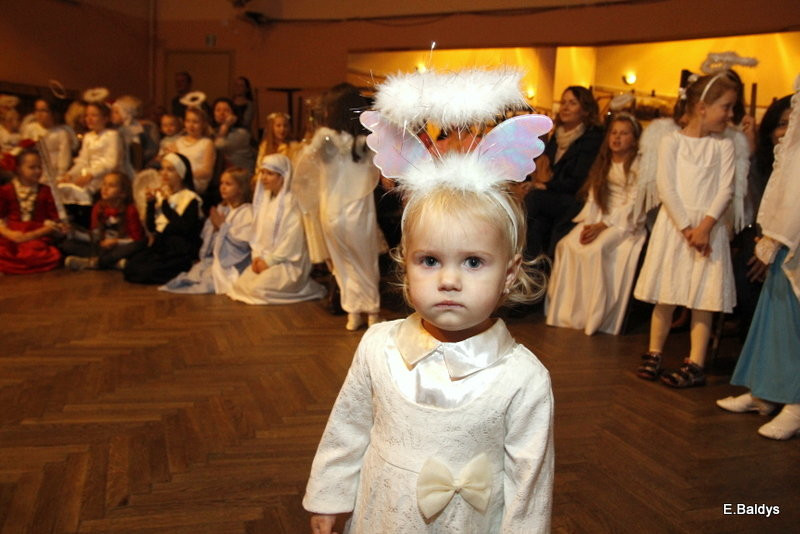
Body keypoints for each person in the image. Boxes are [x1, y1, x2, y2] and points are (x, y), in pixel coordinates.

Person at [304, 68, 554, 534]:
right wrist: (330, 496)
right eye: (430, 260)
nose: (450, 280)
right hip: (380, 514)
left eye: (474, 262)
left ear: (510, 273)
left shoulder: (524, 380)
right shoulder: (377, 348)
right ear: (403, 263)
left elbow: (530, 487)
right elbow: (348, 429)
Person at [633, 72, 740, 388]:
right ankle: (654, 352)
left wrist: (705, 227)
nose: (730, 114)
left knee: (702, 298)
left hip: (708, 229)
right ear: (703, 107)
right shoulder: (672, 141)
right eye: (726, 106)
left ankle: (696, 362)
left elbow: (726, 190)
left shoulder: (724, 147)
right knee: (666, 293)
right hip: (677, 228)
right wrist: (687, 228)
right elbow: (666, 186)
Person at [716, 89, 800, 440]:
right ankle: (767, 392)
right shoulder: (789, 148)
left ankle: (795, 404)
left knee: (792, 322)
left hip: (792, 239)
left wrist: (780, 237)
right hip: (785, 237)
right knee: (774, 318)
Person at [546, 113, 646, 335]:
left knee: (597, 250)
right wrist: (590, 224)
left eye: (624, 133)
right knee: (566, 245)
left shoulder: (639, 166)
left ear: (634, 139)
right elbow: (594, 197)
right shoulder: (603, 163)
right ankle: (567, 313)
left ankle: (593, 316)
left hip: (623, 223)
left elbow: (633, 202)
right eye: (614, 133)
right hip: (598, 216)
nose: (617, 138)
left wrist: (604, 226)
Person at [301, 84, 382, 330]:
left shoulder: (328, 136)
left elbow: (306, 163)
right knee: (364, 259)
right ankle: (370, 310)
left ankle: (354, 311)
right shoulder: (363, 139)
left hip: (332, 207)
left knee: (343, 260)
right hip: (356, 207)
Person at [227, 154, 325, 304]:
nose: (264, 178)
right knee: (241, 285)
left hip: (286, 262)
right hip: (264, 260)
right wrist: (258, 257)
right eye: (263, 173)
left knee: (257, 289)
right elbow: (257, 234)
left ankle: (308, 288)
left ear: (283, 177)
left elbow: (292, 240)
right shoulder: (264, 201)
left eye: (270, 174)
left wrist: (270, 261)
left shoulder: (292, 202)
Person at [524, 85, 604, 258]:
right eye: (563, 102)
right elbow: (547, 169)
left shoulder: (592, 138)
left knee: (534, 199)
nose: (565, 108)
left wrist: (545, 185)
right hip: (554, 196)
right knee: (538, 223)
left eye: (572, 103)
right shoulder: (558, 135)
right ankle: (534, 272)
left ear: (585, 109)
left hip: (575, 198)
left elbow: (578, 179)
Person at [161, 166, 253, 294]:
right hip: (215, 259)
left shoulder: (246, 212)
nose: (223, 187)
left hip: (232, 264)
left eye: (228, 184)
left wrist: (222, 227)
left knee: (207, 281)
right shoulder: (222, 208)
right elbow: (208, 238)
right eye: (221, 183)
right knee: (194, 274)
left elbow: (242, 244)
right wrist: (214, 229)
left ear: (241, 189)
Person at [123, 153, 202, 284]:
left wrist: (165, 205)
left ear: (181, 174)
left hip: (178, 249)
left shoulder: (190, 198)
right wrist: (151, 204)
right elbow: (152, 227)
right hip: (161, 245)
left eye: (170, 170)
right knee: (131, 268)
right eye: (162, 169)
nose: (164, 173)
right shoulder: (162, 194)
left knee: (145, 272)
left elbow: (183, 228)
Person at [61, 172, 145, 271]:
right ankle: (114, 264)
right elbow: (94, 236)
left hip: (121, 246)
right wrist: (73, 232)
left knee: (136, 247)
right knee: (66, 244)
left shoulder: (130, 210)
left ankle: (93, 263)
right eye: (104, 184)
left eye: (111, 186)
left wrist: (116, 242)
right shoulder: (99, 207)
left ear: (123, 193)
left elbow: (136, 239)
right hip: (103, 247)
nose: (105, 188)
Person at [0, 149, 65, 274]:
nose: (37, 171)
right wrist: (10, 234)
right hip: (12, 234)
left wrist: (31, 235)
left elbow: (54, 221)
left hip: (36, 234)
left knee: (36, 251)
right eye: (32, 168)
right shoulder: (6, 190)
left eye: (39, 167)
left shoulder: (46, 191)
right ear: (18, 169)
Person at [58, 101, 123, 211]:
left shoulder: (112, 135)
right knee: (64, 186)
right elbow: (83, 160)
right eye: (87, 115)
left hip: (105, 175)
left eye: (94, 115)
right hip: (88, 174)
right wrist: (70, 174)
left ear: (105, 118)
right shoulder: (88, 136)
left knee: (83, 191)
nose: (89, 119)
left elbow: (112, 163)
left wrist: (91, 175)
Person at [21, 98, 72, 176]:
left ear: (52, 113)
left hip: (52, 172)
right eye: (37, 110)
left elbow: (64, 158)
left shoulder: (61, 133)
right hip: (33, 169)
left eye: (43, 111)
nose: (39, 114)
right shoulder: (30, 128)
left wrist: (61, 174)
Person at [174, 107, 215, 195]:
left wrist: (185, 174)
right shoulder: (178, 141)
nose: (191, 125)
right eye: (188, 121)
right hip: (178, 180)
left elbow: (207, 172)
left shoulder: (207, 143)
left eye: (195, 122)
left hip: (195, 181)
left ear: (203, 124)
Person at [212, 97, 255, 171]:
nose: (221, 113)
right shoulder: (212, 131)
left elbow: (218, 147)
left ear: (233, 114)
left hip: (241, 175)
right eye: (218, 110)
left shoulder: (241, 133)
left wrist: (226, 125)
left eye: (226, 110)